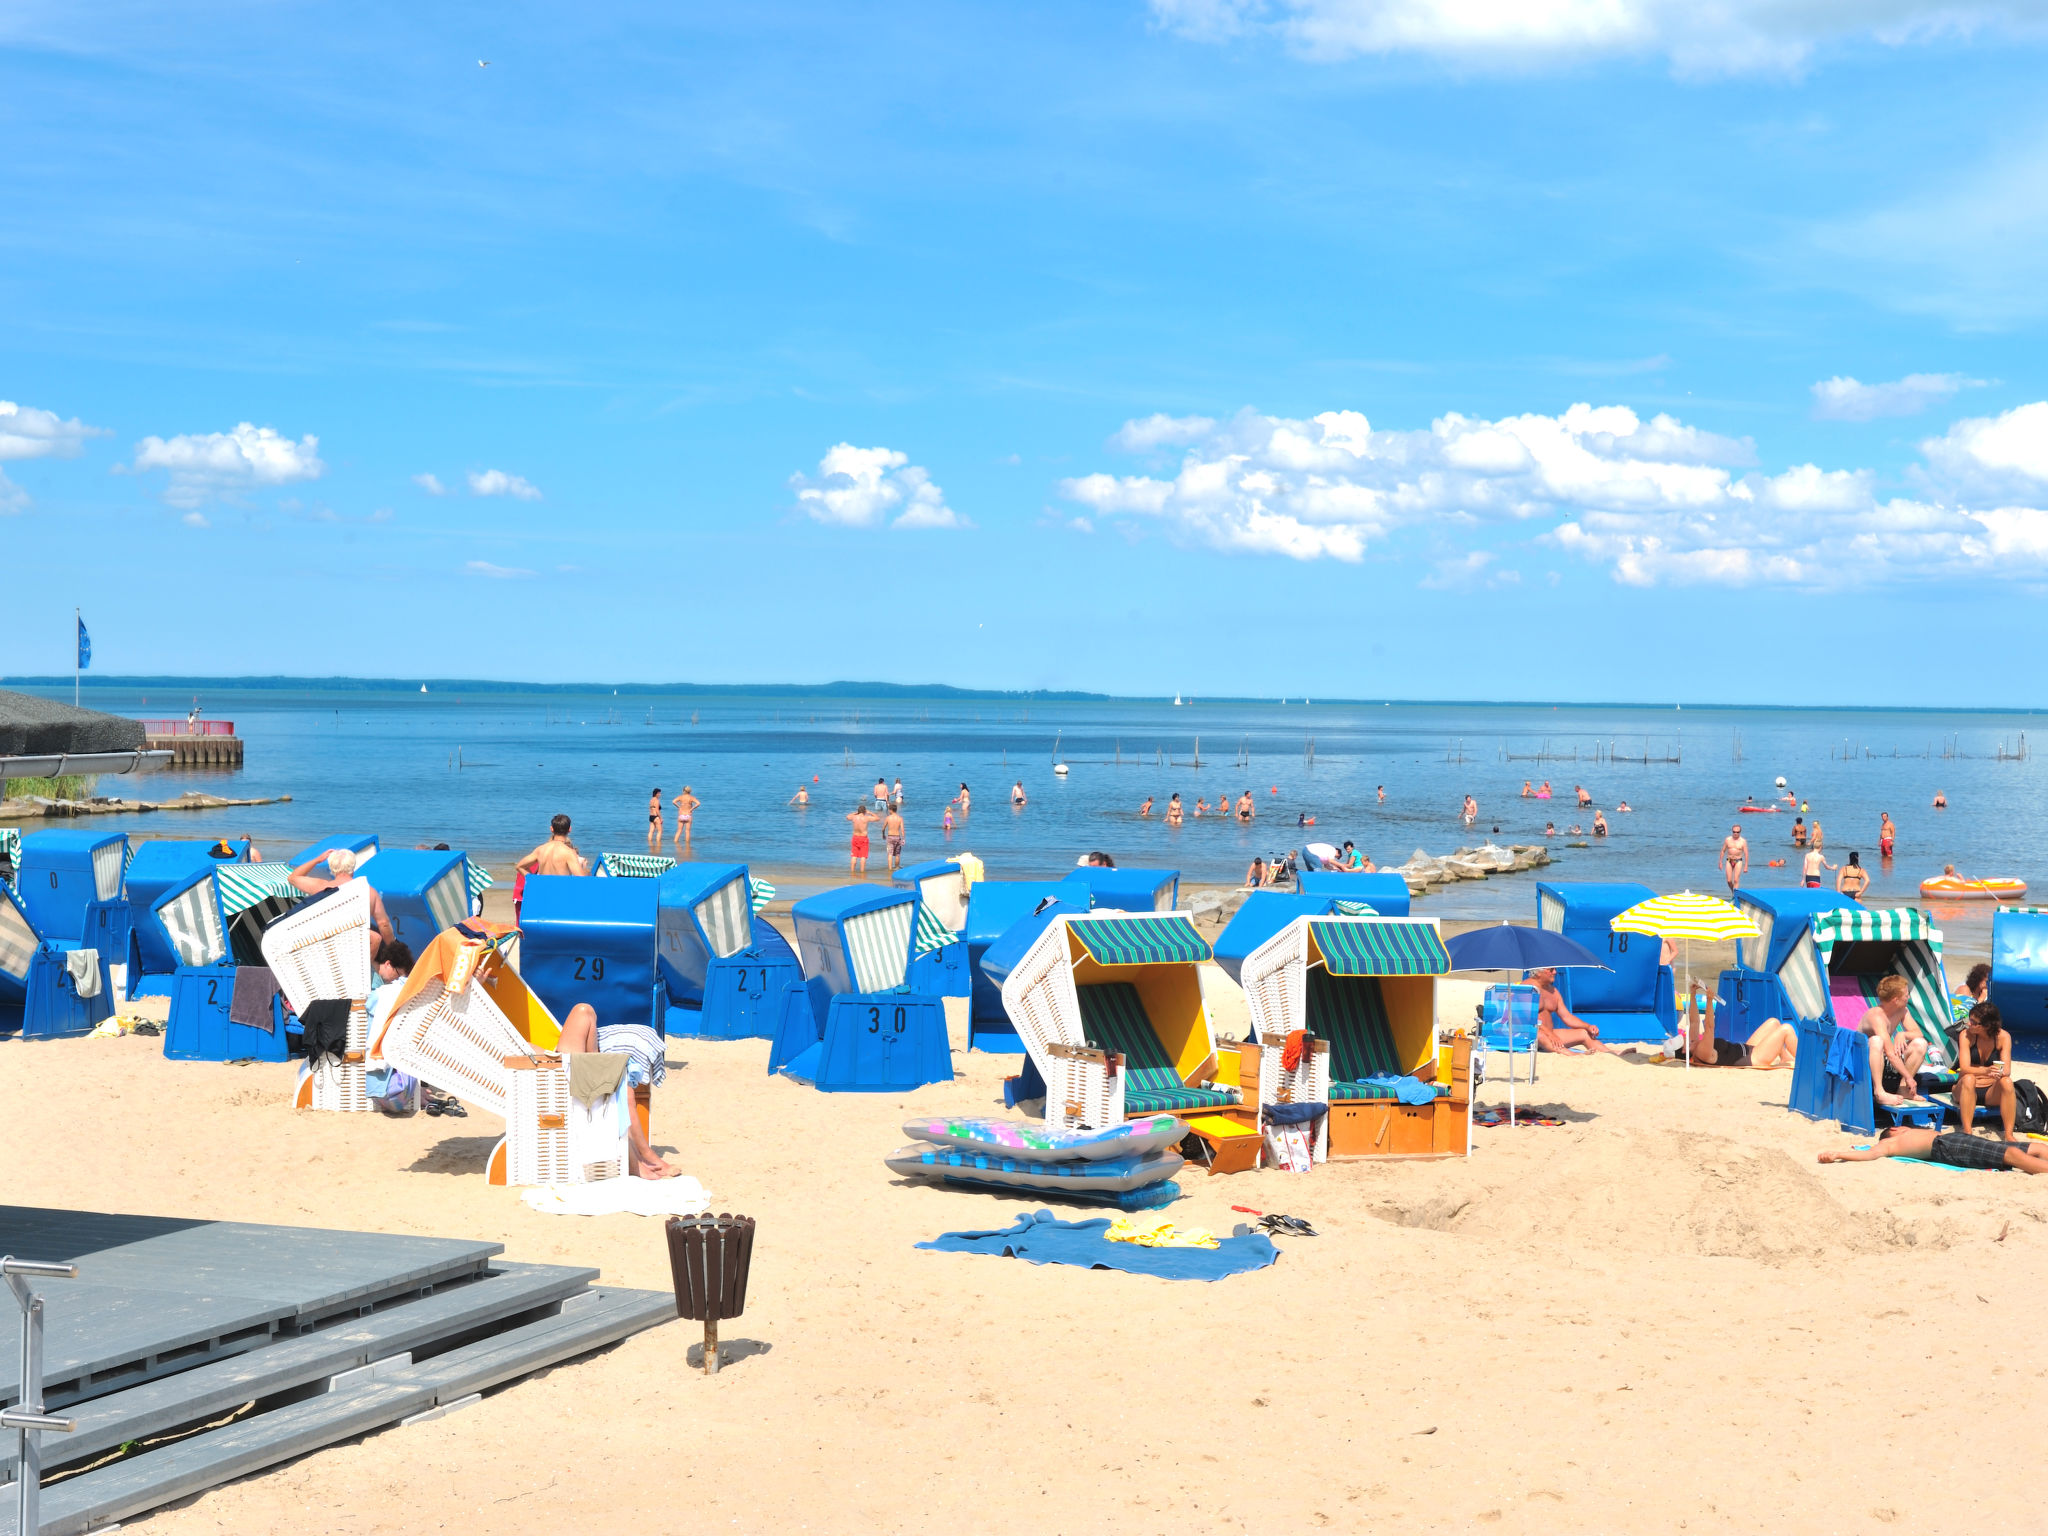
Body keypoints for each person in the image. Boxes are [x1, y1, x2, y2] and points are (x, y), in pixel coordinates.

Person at [554, 1004, 673, 1179]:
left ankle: (641, 1157)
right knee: (584, 1010)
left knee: (585, 1011)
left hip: (569, 1062)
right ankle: (642, 1158)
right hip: (560, 1064)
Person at [289, 846, 397, 955]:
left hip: (330, 949)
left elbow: (293, 878)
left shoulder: (321, 888)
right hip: (359, 950)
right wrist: (392, 949)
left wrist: (318, 860)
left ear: (331, 868)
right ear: (353, 866)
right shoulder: (369, 891)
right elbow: (384, 924)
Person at [1819, 1126, 2048, 1173]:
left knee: (2032, 1147)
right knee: (2012, 1156)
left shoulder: (1905, 1135)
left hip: (1954, 1139)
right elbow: (1868, 1154)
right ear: (1896, 1130)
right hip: (1947, 1146)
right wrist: (1838, 1154)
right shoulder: (1889, 1143)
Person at [1857, 975, 1930, 1107]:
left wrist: (1902, 1034)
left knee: (1920, 1043)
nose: (1908, 997)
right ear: (1895, 1000)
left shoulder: (1902, 1010)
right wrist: (1909, 1077)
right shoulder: (1876, 1016)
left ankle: (1903, 1090)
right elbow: (1890, 1053)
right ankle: (1879, 1092)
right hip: (1862, 1059)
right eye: (1906, 995)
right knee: (1877, 1040)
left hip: (1883, 1059)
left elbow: (1918, 1033)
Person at [1956, 1001, 2015, 1141]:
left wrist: (1994, 1072)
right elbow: (1964, 1068)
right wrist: (1986, 1070)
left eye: (1973, 1022)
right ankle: (1967, 1131)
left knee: (2007, 1082)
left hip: (1990, 1091)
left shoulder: (2003, 1037)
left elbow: (2006, 1070)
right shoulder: (1966, 1035)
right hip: (1965, 1088)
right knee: (1969, 1078)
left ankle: (2008, 1134)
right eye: (1969, 1019)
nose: (1969, 1024)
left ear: (1987, 1026)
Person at [1525, 967, 1618, 1054]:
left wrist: (1588, 1026)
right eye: (1551, 970)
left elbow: (1567, 1017)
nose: (1555, 972)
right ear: (1538, 973)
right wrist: (1549, 1034)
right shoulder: (1527, 989)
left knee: (1584, 1033)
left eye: (1555, 969)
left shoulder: (1553, 991)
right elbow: (1527, 1019)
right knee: (1539, 1035)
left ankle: (1611, 1053)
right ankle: (1573, 1055)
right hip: (1531, 1035)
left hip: (1550, 1034)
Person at [1720, 824, 1749, 894]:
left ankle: (1735, 896)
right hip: (1729, 860)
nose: (1735, 833)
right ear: (1732, 831)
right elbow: (1723, 850)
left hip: (1738, 861)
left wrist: (1746, 866)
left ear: (1740, 832)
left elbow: (1746, 853)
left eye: (1737, 832)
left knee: (1736, 880)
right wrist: (1720, 862)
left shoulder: (1743, 841)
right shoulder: (1728, 840)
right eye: (1734, 832)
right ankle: (1733, 892)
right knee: (1729, 881)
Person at [847, 803, 873, 875]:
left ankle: (852, 872)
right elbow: (877, 818)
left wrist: (855, 813)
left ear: (858, 811)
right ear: (864, 811)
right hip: (863, 838)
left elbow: (847, 816)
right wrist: (870, 812)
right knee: (863, 856)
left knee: (854, 856)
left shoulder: (854, 817)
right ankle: (862, 872)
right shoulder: (866, 818)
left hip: (855, 837)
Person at [883, 804, 906, 872]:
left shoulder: (888, 818)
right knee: (897, 854)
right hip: (897, 837)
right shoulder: (900, 818)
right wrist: (903, 839)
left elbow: (883, 828)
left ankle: (890, 869)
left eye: (889, 809)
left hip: (890, 837)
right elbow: (902, 830)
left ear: (890, 810)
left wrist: (883, 834)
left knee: (890, 854)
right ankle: (896, 868)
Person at [647, 787, 664, 852]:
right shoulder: (656, 800)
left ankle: (650, 844)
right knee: (660, 831)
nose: (660, 795)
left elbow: (651, 808)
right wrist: (661, 818)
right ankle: (658, 845)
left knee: (651, 831)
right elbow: (657, 810)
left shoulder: (651, 800)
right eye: (659, 793)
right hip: (656, 817)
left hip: (651, 816)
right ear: (656, 794)